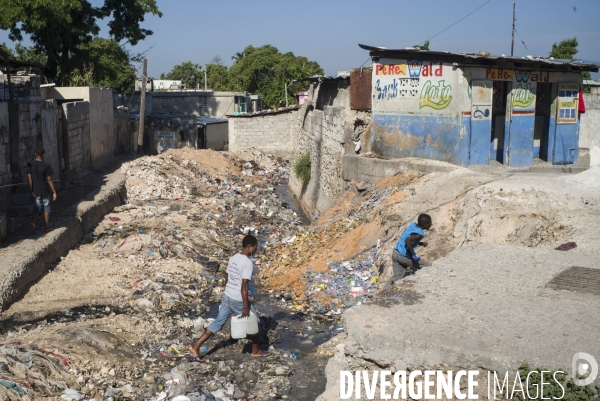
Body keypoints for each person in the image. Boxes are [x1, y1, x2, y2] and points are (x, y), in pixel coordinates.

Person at [188, 234, 270, 359]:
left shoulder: (233, 258)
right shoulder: (247, 263)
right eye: (256, 247)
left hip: (227, 296)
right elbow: (244, 286)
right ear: (250, 247)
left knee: (218, 323)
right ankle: (256, 350)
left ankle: (195, 347)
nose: (256, 250)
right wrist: (246, 307)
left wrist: (230, 289)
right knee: (256, 323)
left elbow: (226, 277)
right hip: (238, 299)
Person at [385, 213, 432, 288]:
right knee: (426, 265)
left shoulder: (413, 225)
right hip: (403, 256)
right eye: (430, 223)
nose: (431, 224)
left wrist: (420, 243)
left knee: (397, 276)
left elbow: (409, 238)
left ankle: (385, 290)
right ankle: (425, 285)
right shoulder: (420, 233)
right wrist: (414, 254)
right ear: (425, 224)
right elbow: (408, 241)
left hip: (396, 252)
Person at [27, 148, 57, 234]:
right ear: (44, 155)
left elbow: (29, 178)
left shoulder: (30, 165)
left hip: (35, 190)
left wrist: (31, 191)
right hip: (45, 190)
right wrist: (54, 191)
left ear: (35, 153)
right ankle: (46, 227)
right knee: (47, 207)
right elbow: (49, 179)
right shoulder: (46, 166)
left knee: (37, 207)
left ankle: (33, 223)